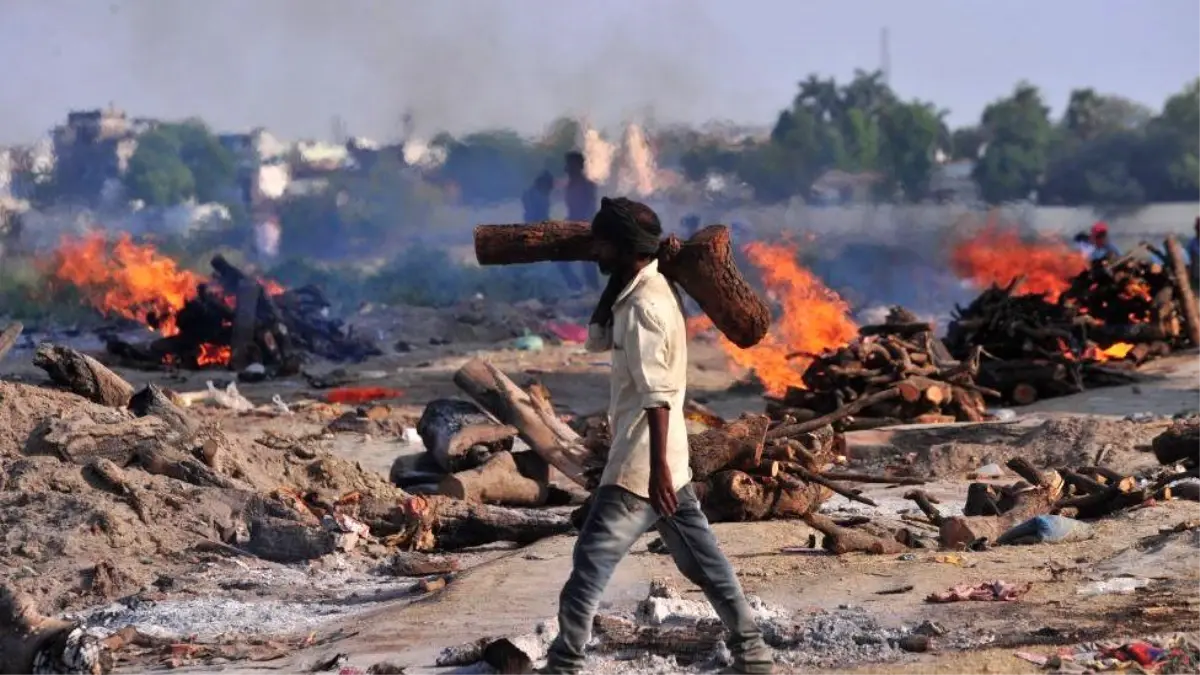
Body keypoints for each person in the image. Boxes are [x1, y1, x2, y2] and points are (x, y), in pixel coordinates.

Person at [541, 197, 774, 675]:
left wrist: (658, 474)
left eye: (602, 243)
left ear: (624, 248)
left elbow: (659, 396)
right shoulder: (646, 289)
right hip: (667, 460)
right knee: (703, 562)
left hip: (643, 465)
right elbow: (597, 340)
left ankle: (564, 664)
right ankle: (754, 655)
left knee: (590, 562)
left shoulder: (646, 306)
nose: (594, 251)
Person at [562, 151, 601, 291]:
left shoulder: (587, 186)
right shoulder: (570, 186)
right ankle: (578, 288)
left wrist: (585, 226)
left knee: (588, 264)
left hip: (584, 227)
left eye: (570, 164)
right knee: (563, 260)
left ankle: (592, 291)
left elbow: (589, 209)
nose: (568, 168)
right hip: (573, 226)